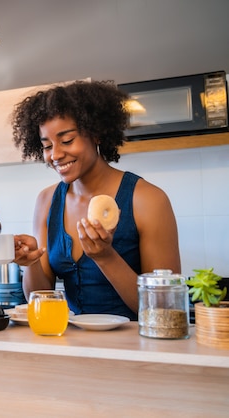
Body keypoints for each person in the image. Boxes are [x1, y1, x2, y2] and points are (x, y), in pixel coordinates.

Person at [10, 80, 181, 320]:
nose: (56, 155)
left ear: (97, 134)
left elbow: (164, 310)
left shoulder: (148, 199)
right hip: (72, 343)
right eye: (47, 145)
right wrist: (30, 263)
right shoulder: (47, 200)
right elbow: (40, 298)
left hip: (136, 347)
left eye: (67, 140)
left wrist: (105, 256)